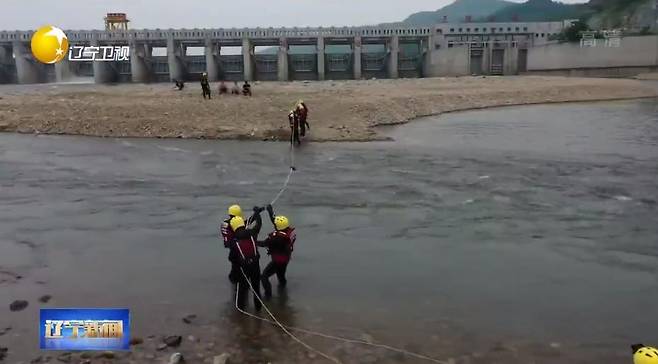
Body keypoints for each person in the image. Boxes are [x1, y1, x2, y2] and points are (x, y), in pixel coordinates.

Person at [229, 207, 264, 311]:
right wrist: (257, 213)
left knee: (242, 290)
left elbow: (231, 258)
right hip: (256, 266)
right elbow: (259, 224)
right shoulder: (253, 233)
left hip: (244, 269)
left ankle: (241, 311)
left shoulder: (234, 242)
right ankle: (258, 309)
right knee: (256, 289)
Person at [258, 204, 296, 299]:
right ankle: (283, 294)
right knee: (281, 276)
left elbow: (264, 243)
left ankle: (268, 296)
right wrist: (270, 211)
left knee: (264, 276)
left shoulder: (277, 238)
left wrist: (251, 240)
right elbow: (275, 222)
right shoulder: (288, 231)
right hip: (286, 259)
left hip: (278, 261)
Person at [220, 204, 243, 284]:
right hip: (235, 246)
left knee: (234, 263)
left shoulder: (225, 222)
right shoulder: (233, 223)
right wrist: (256, 215)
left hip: (230, 244)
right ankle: (236, 280)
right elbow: (245, 224)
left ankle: (233, 278)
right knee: (237, 264)